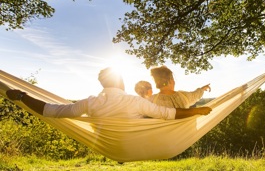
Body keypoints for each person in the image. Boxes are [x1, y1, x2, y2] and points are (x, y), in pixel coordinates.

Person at [4, 67, 212, 120]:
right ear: (121, 82)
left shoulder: (90, 102)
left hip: (112, 146)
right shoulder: (136, 102)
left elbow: (50, 110)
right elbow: (168, 115)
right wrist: (196, 111)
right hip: (141, 144)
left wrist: (23, 96)